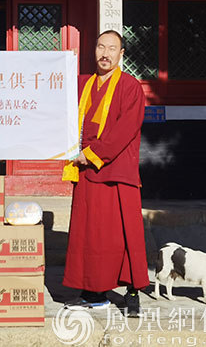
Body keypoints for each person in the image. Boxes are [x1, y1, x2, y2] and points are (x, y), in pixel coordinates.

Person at [61, 30, 149, 317]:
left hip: (115, 171)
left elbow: (125, 129)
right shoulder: (82, 84)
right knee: (90, 235)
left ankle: (133, 291)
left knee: (124, 235)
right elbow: (56, 110)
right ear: (93, 49)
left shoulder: (130, 86)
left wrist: (93, 153)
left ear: (121, 54)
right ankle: (92, 290)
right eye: (101, 46)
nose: (105, 53)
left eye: (112, 48)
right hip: (85, 171)